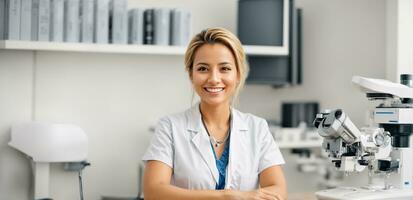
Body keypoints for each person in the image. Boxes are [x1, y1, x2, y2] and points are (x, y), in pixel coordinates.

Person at [142, 27, 287, 200]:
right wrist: (227, 196)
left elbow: (278, 191)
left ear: (238, 74)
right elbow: (153, 191)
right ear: (191, 75)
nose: (214, 79)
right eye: (203, 69)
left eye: (224, 68)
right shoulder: (170, 127)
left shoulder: (257, 127)